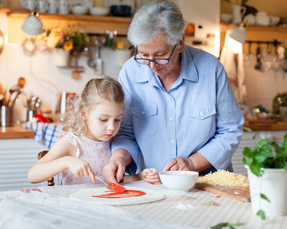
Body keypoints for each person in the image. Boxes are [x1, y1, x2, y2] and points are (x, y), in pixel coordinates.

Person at [102, 0, 244, 184]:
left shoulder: (211, 69)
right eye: (144, 55)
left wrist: (192, 163)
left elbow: (230, 130)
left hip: (205, 185)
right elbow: (125, 133)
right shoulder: (130, 72)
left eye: (160, 56)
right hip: (150, 186)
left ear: (180, 43)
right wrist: (118, 158)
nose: (152, 65)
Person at [28, 77, 160, 185]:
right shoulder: (72, 143)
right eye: (103, 119)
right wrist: (67, 161)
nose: (111, 127)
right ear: (84, 113)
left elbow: (110, 181)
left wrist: (139, 177)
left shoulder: (114, 143)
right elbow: (32, 175)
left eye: (117, 120)